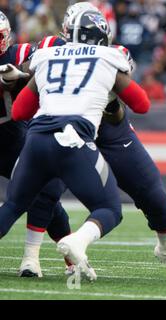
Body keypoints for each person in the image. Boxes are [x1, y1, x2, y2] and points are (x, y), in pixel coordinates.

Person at [17, 2, 166, 280]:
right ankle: (31, 258)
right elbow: (28, 75)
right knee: (47, 191)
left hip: (109, 133)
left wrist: (110, 106)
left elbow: (120, 111)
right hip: (65, 128)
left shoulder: (113, 55)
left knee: (154, 195)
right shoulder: (50, 47)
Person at [0, 9, 151, 281]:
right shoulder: (107, 57)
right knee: (110, 209)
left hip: (35, 140)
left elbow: (21, 111)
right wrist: (112, 90)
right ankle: (77, 242)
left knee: (13, 206)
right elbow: (142, 104)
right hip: (74, 139)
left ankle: (35, 258)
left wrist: (26, 80)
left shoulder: (47, 56)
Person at [0, 9, 74, 278]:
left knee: (44, 196)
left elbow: (56, 46)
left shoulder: (18, 55)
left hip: (12, 142)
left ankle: (71, 256)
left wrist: (20, 74)